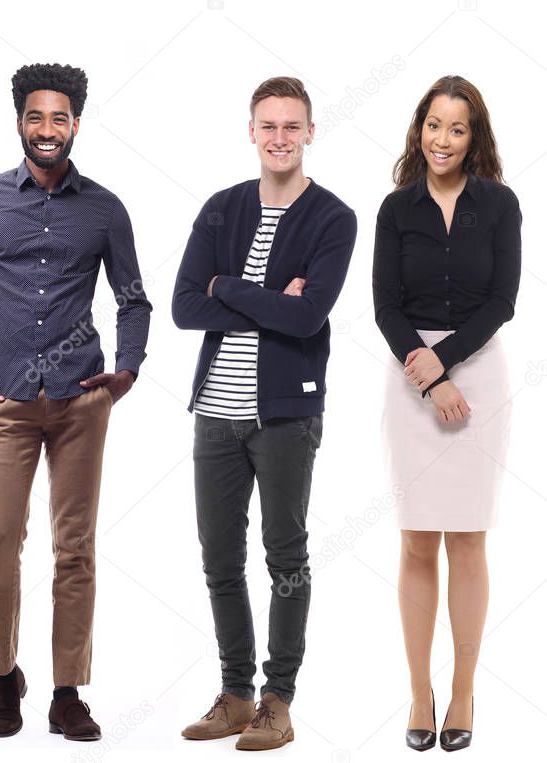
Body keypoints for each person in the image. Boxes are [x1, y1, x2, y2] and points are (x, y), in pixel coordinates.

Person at [0, 62, 151, 742]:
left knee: (75, 546)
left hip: (78, 402)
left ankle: (66, 690)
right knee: (0, 540)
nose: (47, 129)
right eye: (36, 116)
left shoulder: (105, 209)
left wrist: (123, 374)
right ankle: (4, 675)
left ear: (76, 124)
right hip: (4, 403)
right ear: (19, 122)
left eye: (59, 117)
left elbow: (133, 298)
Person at [172, 76, 356, 751]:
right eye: (267, 126)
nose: (278, 138)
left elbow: (308, 315)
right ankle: (234, 694)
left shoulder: (332, 217)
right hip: (214, 413)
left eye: (291, 126)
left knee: (285, 555)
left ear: (310, 131)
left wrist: (228, 285)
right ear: (250, 131)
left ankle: (278, 700)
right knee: (219, 557)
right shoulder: (221, 208)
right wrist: (257, 293)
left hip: (284, 413)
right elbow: (185, 305)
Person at [372, 75, 519, 753]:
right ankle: (418, 690)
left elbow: (501, 300)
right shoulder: (396, 208)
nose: (442, 139)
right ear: (418, 128)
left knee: (466, 536)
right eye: (434, 124)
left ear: (473, 136)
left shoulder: (498, 204)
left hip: (477, 368)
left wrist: (448, 362)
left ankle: (461, 688)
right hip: (409, 373)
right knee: (413, 538)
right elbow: (384, 304)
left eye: (457, 128)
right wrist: (427, 377)